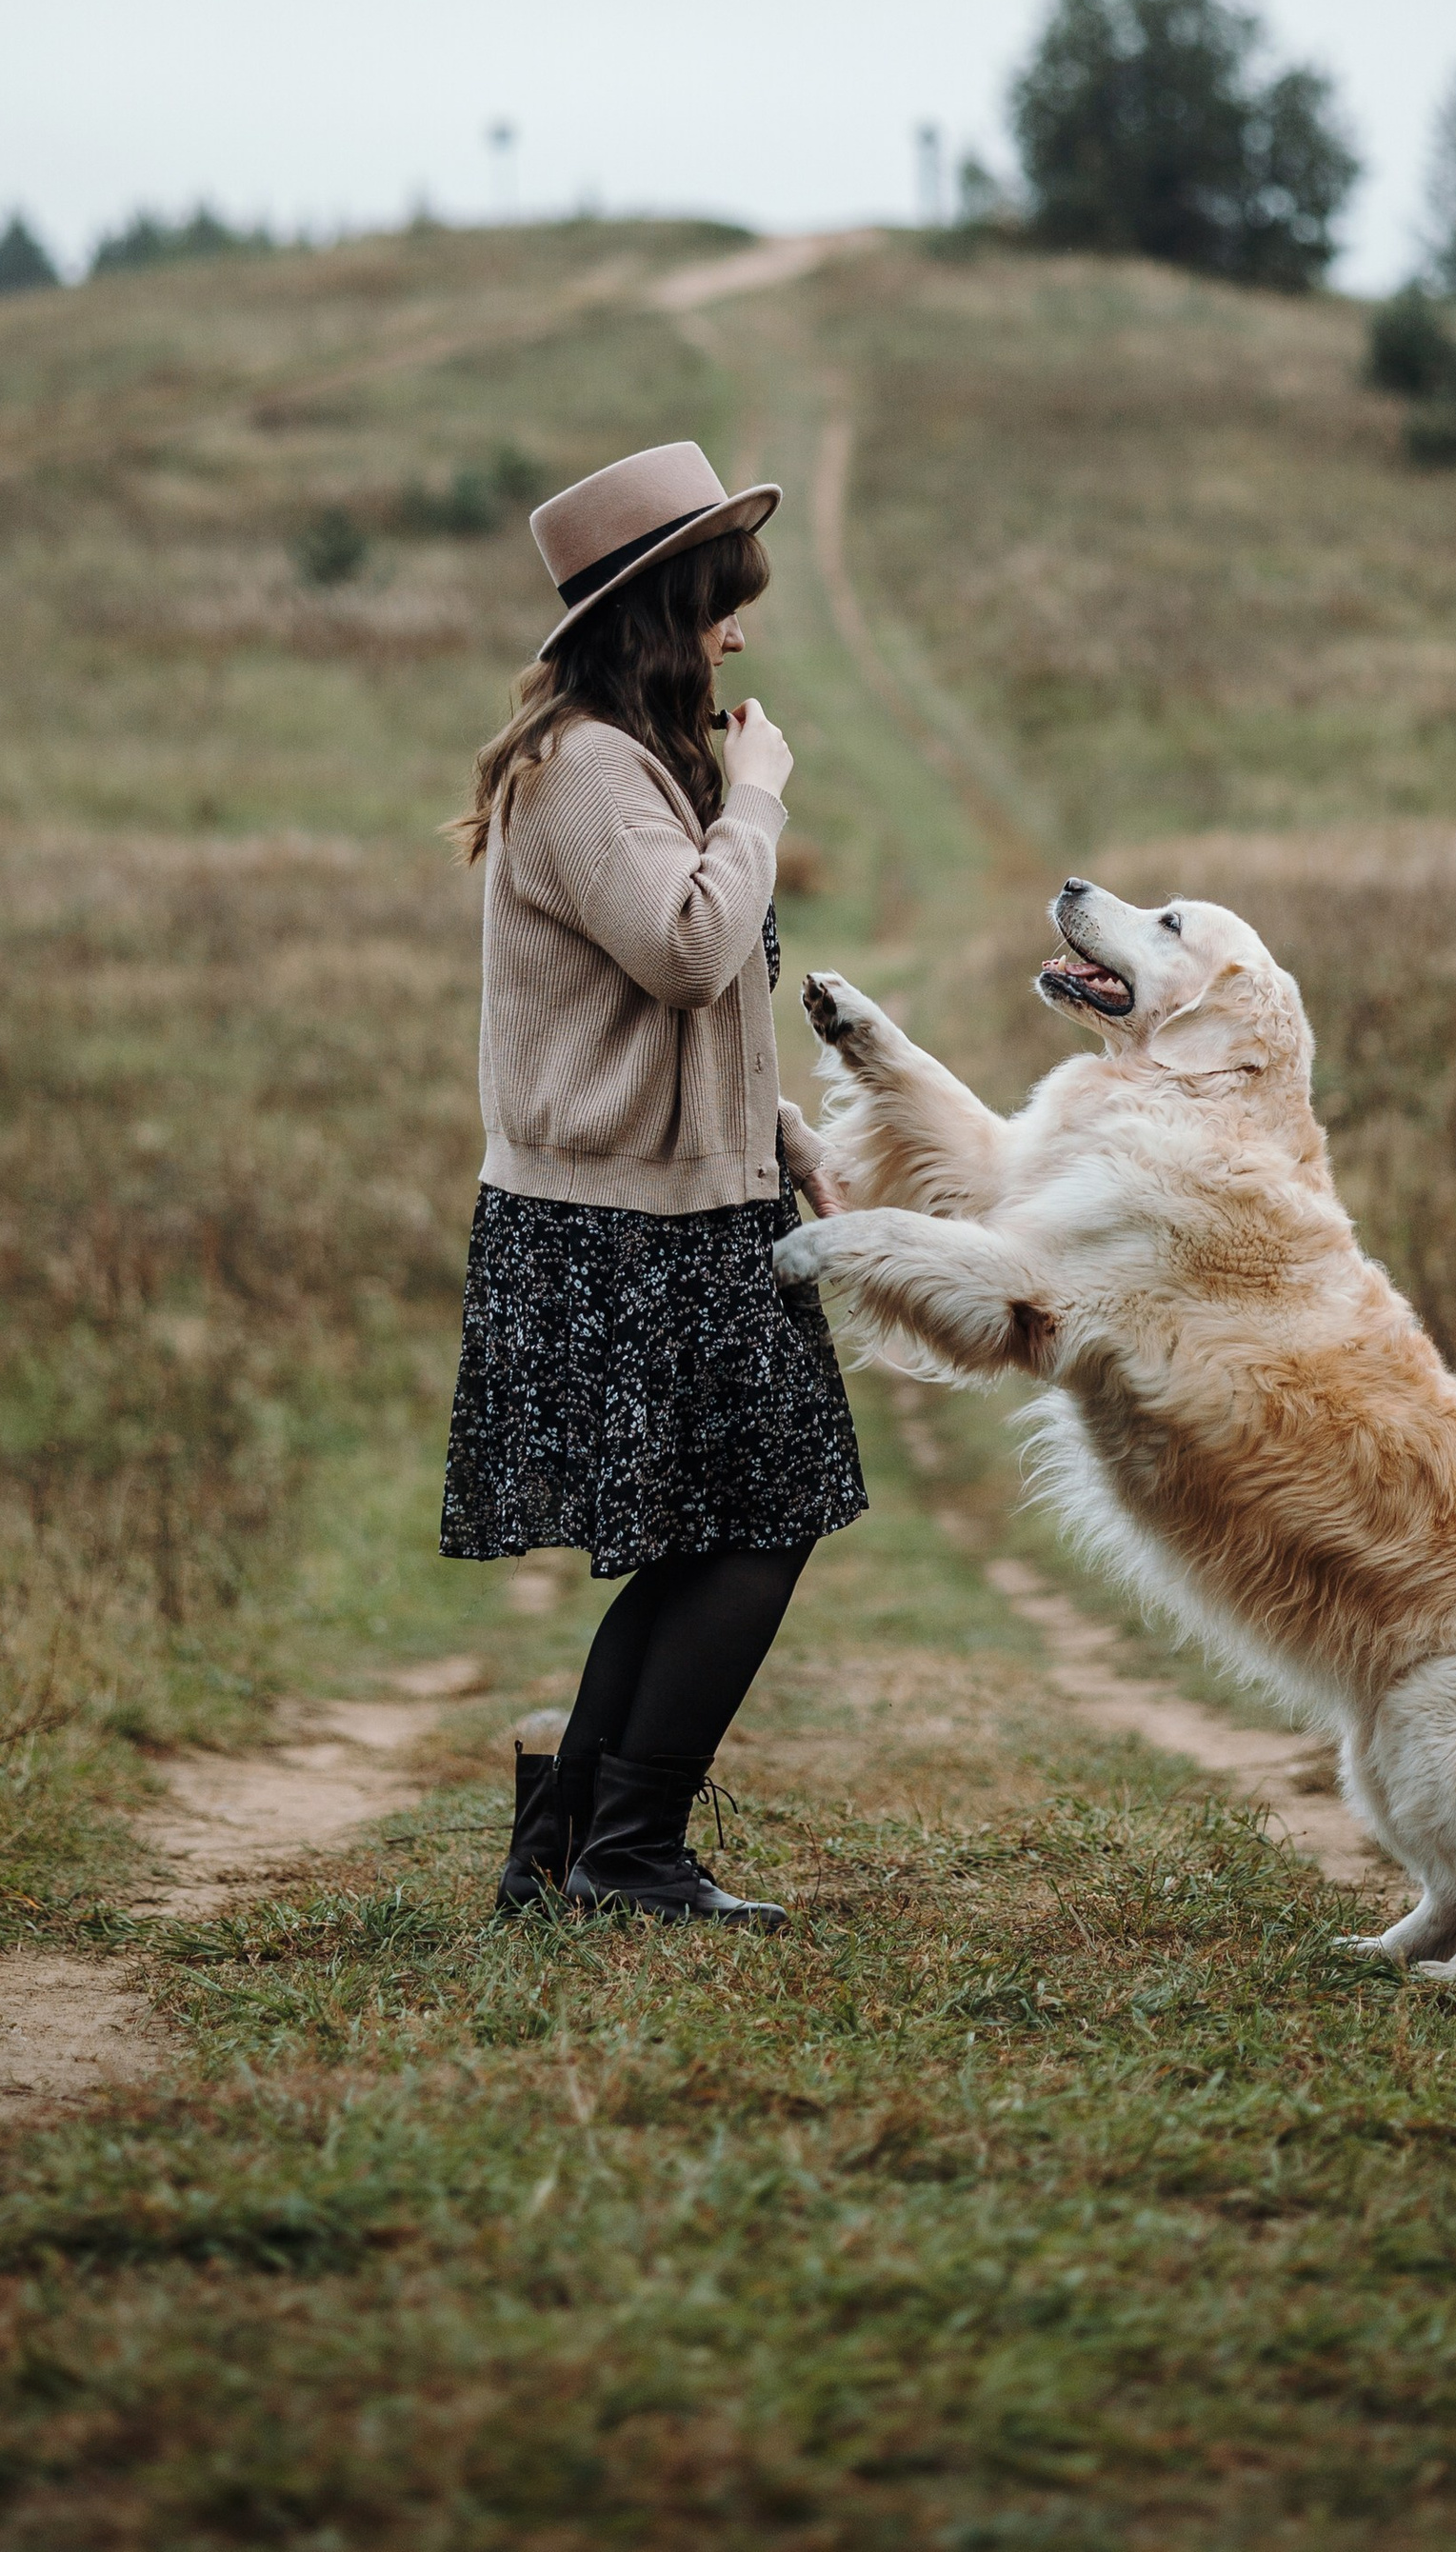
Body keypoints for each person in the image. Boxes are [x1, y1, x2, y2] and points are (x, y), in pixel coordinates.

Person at [440, 438, 866, 1925]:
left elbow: (696, 1007)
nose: (738, 636)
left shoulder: (622, 765)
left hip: (684, 1205)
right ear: (657, 610)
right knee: (758, 1522)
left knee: (723, 1525)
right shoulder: (587, 772)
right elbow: (687, 957)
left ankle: (574, 1845)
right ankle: (624, 1853)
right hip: (622, 1229)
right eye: (718, 604)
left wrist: (783, 1144)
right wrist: (759, 797)